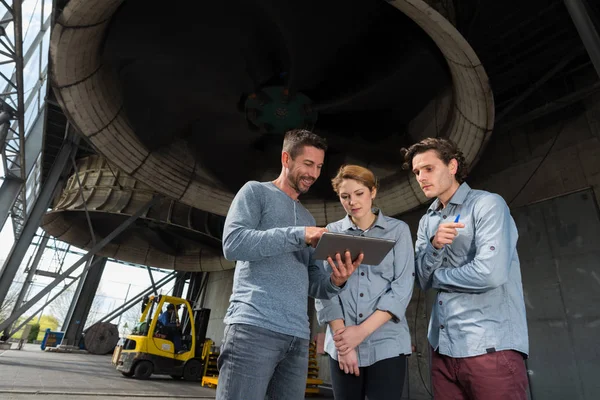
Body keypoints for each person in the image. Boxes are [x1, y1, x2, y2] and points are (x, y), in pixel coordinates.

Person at [217, 129, 363, 400]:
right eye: (308, 164)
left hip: (296, 337)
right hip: (253, 327)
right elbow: (234, 245)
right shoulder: (255, 193)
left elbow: (315, 283)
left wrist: (336, 281)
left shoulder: (307, 216)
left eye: (319, 166)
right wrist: (300, 234)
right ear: (286, 158)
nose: (314, 173)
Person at [402, 137, 529, 400]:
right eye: (416, 172)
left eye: (428, 168)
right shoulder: (428, 222)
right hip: (443, 349)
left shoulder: (488, 205)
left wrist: (438, 275)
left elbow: (489, 273)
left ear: (452, 166)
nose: (421, 177)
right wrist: (435, 246)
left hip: (489, 347)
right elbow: (422, 281)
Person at [314, 165, 415, 400]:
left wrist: (360, 333)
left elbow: (401, 287)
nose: (353, 202)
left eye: (359, 193)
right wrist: (344, 343)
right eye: (345, 196)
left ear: (373, 192)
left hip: (387, 343)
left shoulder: (398, 231)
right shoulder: (331, 232)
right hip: (342, 344)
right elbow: (324, 291)